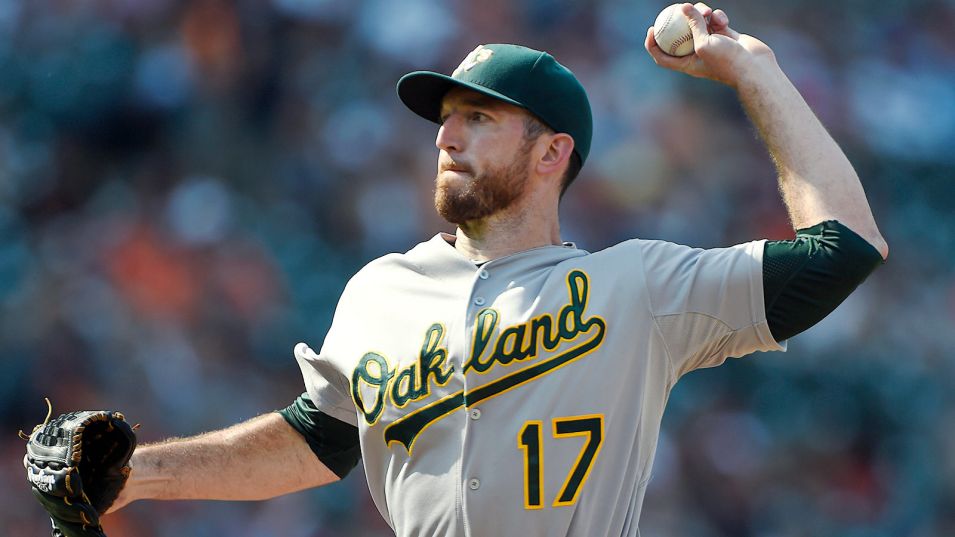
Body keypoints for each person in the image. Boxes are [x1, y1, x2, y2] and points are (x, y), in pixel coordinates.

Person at [78, 3, 887, 536]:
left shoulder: (637, 286)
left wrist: (753, 70)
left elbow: (844, 247)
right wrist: (132, 474)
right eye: (444, 119)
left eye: (477, 116)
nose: (445, 137)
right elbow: (316, 440)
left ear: (551, 153)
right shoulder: (379, 291)